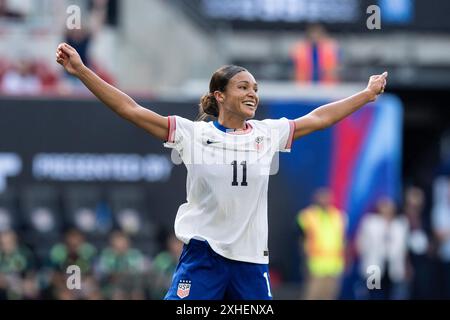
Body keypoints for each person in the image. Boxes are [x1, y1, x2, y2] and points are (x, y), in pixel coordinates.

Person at [55, 42, 387, 300]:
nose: (252, 94)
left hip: (251, 263)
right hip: (204, 258)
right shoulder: (194, 134)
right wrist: (82, 71)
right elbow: (130, 109)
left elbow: (320, 118)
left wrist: (367, 94)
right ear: (220, 95)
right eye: (243, 87)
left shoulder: (267, 134)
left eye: (255, 88)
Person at [297, 188, 346, 300]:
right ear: (315, 198)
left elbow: (342, 239)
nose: (325, 200)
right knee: (313, 294)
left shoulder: (338, 215)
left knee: (330, 294)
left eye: (327, 197)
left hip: (335, 263)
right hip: (315, 263)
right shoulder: (308, 215)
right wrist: (305, 254)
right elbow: (300, 237)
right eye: (322, 197)